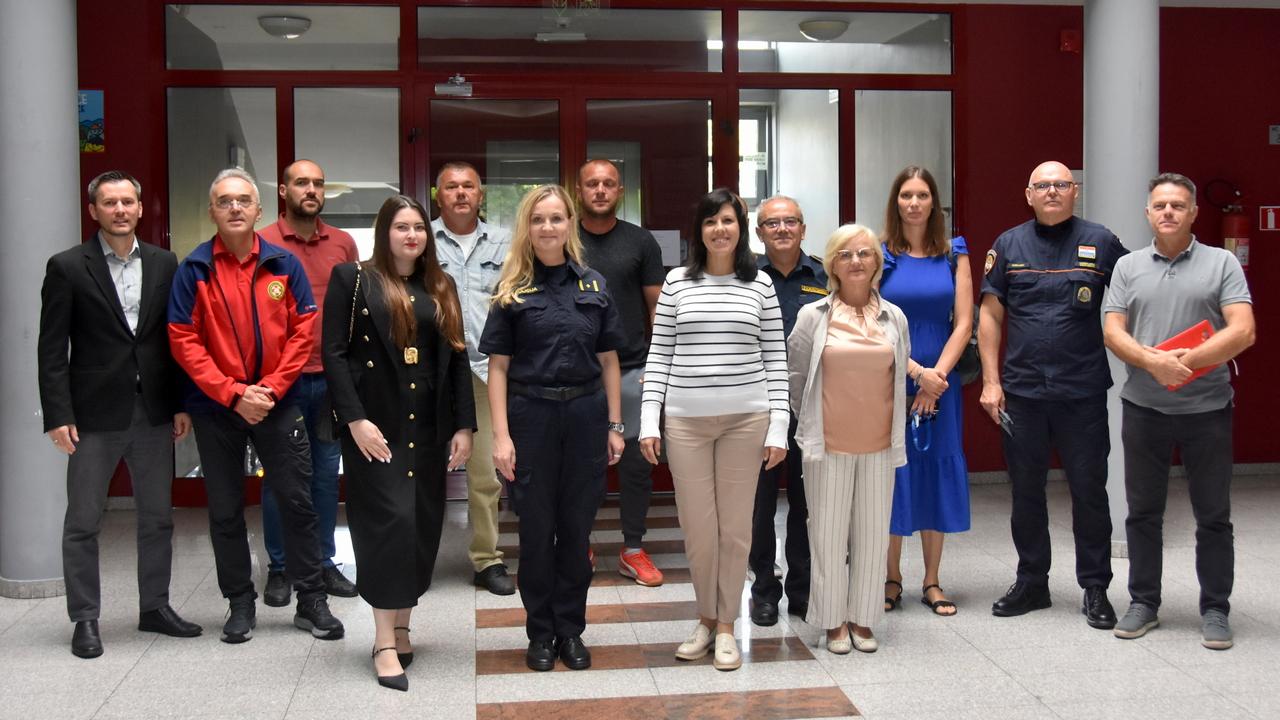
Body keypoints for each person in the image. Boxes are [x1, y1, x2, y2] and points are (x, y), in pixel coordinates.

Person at [168, 168, 344, 643]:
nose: (235, 208)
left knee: (297, 501)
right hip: (216, 408)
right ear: (212, 211)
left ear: (258, 209)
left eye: (243, 200)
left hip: (277, 402)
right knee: (225, 509)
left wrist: (268, 389)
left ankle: (312, 601)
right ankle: (240, 604)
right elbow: (183, 339)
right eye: (225, 201)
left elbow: (303, 330)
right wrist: (232, 393)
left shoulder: (283, 264)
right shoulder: (194, 269)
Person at [38, 170, 202, 658]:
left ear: (140, 208)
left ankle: (155, 607)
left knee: (157, 517)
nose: (120, 210)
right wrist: (58, 414)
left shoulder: (164, 262)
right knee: (83, 521)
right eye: (109, 203)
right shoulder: (68, 267)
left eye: (128, 201)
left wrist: (180, 403)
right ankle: (85, 618)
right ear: (94, 211)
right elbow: (52, 349)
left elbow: (173, 340)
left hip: (153, 410)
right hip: (92, 415)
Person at [323, 195, 475, 689]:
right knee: (388, 527)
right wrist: (355, 420)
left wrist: (464, 426)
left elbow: (456, 359)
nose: (412, 236)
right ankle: (383, 641)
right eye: (401, 227)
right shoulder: (353, 280)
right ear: (384, 232)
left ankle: (404, 627)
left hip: (427, 426)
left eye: (418, 228)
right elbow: (333, 353)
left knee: (420, 526)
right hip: (377, 427)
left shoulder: (440, 285)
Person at [1102, 173, 1255, 650]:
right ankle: (1143, 602)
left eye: (1177, 205)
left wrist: (1181, 364)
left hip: (1207, 409)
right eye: (1160, 205)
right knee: (1143, 513)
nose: (1168, 212)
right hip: (1144, 408)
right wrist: (1153, 363)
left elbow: (1243, 330)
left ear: (1193, 213)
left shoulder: (1221, 262)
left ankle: (1216, 609)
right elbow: (1112, 330)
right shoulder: (1127, 266)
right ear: (1148, 213)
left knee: (1213, 515)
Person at [639, 188, 788, 671]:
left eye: (728, 220)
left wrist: (778, 428)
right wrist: (649, 421)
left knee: (736, 529)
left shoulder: (759, 285)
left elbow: (776, 359)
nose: (719, 229)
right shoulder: (676, 283)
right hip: (686, 423)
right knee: (699, 530)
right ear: (698, 231)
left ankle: (726, 625)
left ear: (740, 229)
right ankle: (704, 618)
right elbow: (659, 355)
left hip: (748, 420)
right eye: (710, 221)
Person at [479, 184, 626, 672]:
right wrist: (501, 437)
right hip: (532, 419)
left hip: (585, 418)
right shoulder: (510, 289)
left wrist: (615, 424)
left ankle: (571, 630)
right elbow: (498, 368)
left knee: (577, 532)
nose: (548, 227)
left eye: (556, 218)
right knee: (537, 534)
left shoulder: (594, 285)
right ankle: (541, 633)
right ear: (527, 226)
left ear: (569, 225)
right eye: (538, 219)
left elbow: (609, 360)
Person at [978, 160, 1128, 629]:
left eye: (1061, 184)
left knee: (1089, 490)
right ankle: (1032, 582)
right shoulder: (1008, 244)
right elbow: (990, 316)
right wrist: (990, 381)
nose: (1052, 192)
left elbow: (1135, 293)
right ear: (1028, 195)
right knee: (1026, 491)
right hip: (1022, 393)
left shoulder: (1101, 241)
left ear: (1074, 191)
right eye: (1042, 186)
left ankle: (1096, 586)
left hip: (1082, 392)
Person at [788, 224, 911, 655]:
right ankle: (832, 621)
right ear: (832, 265)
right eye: (845, 254)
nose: (856, 261)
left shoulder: (894, 317)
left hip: (880, 445)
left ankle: (862, 617)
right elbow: (796, 379)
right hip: (828, 446)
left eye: (864, 253)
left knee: (873, 538)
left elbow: (899, 377)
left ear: (877, 262)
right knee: (826, 537)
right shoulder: (813, 316)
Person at [258, 159, 359, 606]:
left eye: (318, 183)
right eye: (302, 183)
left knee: (323, 476)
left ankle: (322, 561)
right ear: (284, 191)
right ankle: (280, 567)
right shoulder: (263, 242)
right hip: (283, 381)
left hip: (331, 379)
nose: (311, 190)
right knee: (280, 477)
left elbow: (355, 306)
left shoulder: (342, 243)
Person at [878, 166, 972, 616]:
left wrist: (935, 381)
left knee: (935, 470)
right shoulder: (880, 254)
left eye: (922, 195)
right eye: (906, 195)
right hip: (892, 375)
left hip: (943, 381)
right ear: (895, 202)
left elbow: (964, 322)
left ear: (934, 202)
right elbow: (873, 320)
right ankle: (890, 577)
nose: (913, 203)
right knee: (894, 473)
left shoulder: (955, 253)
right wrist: (917, 375)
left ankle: (932, 580)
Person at [574, 158, 666, 587]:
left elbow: (658, 308)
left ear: (620, 191)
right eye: (592, 183)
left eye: (608, 183)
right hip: (576, 372)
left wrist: (657, 368)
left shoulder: (641, 241)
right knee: (580, 465)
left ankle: (632, 549)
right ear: (578, 190)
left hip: (632, 369)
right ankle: (579, 545)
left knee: (635, 464)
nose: (600, 190)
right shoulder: (563, 239)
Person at [431, 161, 516, 596]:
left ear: (480, 195)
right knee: (419, 472)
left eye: (469, 186)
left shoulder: (506, 242)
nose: (461, 193)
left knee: (485, 474)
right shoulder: (421, 239)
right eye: (452, 187)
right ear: (438, 195)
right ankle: (415, 555)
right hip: (430, 373)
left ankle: (487, 559)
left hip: (484, 372)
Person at [748, 195, 826, 627]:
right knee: (759, 506)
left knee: (806, 503)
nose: (782, 229)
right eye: (772, 223)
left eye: (790, 221)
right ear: (759, 232)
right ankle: (763, 590)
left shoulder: (825, 276)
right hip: (758, 408)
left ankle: (802, 589)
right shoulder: (744, 278)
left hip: (811, 406)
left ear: (803, 228)